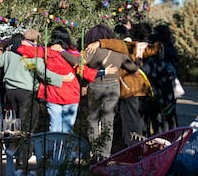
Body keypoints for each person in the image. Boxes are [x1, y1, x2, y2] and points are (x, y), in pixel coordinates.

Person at [56, 24, 139, 160]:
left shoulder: (91, 50)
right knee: (108, 122)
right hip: (113, 87)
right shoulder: (119, 52)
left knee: (93, 120)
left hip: (96, 86)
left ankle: (95, 153)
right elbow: (133, 68)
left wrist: (62, 52)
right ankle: (106, 154)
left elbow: (78, 62)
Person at [0, 32, 75, 134]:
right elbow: (44, 74)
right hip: (26, 92)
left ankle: (13, 146)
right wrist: (62, 79)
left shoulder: (9, 52)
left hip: (10, 91)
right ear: (35, 41)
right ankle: (24, 147)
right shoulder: (34, 55)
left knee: (13, 120)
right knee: (26, 123)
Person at [12, 26, 101, 133]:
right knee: (68, 129)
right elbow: (85, 72)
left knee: (54, 128)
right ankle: (66, 150)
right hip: (71, 94)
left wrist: (22, 44)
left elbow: (21, 49)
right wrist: (104, 73)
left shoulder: (46, 52)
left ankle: (55, 149)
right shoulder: (73, 55)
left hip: (53, 93)